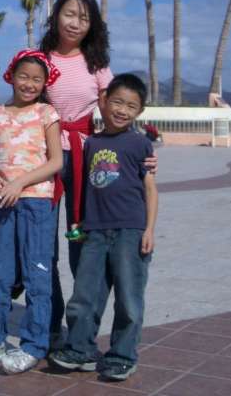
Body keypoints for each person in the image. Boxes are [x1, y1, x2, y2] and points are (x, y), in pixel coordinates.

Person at [39, 0, 157, 347]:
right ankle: (48, 326)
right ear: (56, 15)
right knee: (43, 248)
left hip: (85, 158)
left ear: (93, 26)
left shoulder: (97, 65)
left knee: (81, 245)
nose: (75, 23)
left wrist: (140, 151)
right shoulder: (40, 59)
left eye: (84, 18)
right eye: (70, 14)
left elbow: (118, 110)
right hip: (44, 160)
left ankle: (81, 329)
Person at [50, 73, 158, 381]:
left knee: (128, 298)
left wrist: (149, 229)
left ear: (139, 112)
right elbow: (84, 186)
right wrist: (79, 221)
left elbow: (151, 190)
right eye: (117, 102)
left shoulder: (140, 144)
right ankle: (80, 349)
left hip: (130, 231)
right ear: (104, 101)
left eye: (131, 106)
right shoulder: (92, 143)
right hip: (94, 233)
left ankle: (123, 355)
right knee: (85, 295)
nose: (122, 110)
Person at [0, 49, 64, 374]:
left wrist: (18, 183)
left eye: (37, 79)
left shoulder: (46, 113)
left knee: (38, 275)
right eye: (24, 76)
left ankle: (34, 345)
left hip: (37, 203)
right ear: (11, 75)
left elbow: (55, 162)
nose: (29, 84)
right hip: (1, 204)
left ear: (45, 82)